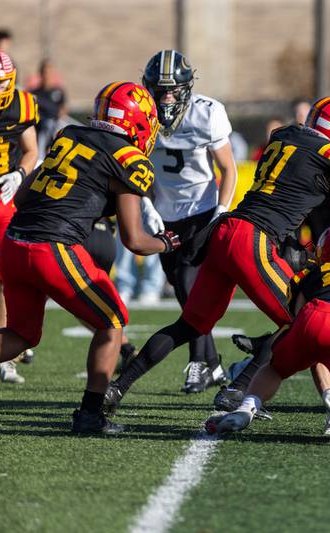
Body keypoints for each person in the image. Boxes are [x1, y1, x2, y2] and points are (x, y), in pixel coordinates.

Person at [103, 95, 330, 415]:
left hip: (225, 232)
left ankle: (118, 387)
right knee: (304, 321)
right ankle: (238, 390)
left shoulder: (284, 136)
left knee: (190, 325)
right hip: (253, 241)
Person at [0, 81, 180, 434]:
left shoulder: (70, 134)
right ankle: (91, 415)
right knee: (112, 321)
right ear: (138, 122)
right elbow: (135, 240)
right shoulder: (128, 158)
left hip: (15, 243)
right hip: (52, 247)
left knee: (21, 332)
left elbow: (25, 195)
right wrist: (165, 243)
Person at [206, 222, 330, 444]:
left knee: (275, 368)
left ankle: (246, 407)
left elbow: (298, 322)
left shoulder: (314, 272)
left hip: (315, 315)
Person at [141, 49, 237, 393]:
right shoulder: (143, 113)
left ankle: (198, 364)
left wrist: (221, 208)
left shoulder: (206, 114)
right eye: (159, 89)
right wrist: (145, 203)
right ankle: (213, 366)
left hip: (200, 210)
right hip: (163, 212)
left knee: (187, 285)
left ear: (186, 86)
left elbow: (228, 168)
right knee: (183, 292)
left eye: (171, 89)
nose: (165, 96)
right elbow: (131, 165)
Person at [0, 45, 38, 383]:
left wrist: (20, 173)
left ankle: (0, 356)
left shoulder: (21, 104)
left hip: (4, 199)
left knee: (4, 284)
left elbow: (31, 150)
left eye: (0, 84)